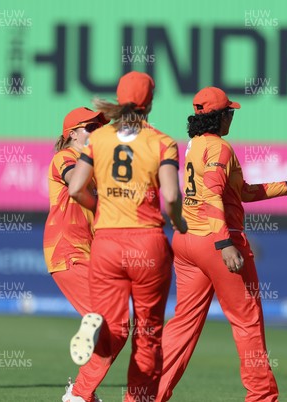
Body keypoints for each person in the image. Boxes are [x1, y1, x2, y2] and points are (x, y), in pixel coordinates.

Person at [156, 86, 287, 402]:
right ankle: (261, 397)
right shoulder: (219, 148)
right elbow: (211, 194)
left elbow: (242, 192)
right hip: (215, 240)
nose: (231, 118)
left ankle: (148, 394)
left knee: (182, 326)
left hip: (187, 240)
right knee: (247, 323)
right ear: (221, 117)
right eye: (229, 112)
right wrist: (224, 243)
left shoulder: (194, 146)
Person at [67, 71, 187, 402]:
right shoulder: (162, 142)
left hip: (106, 244)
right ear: (150, 101)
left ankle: (80, 391)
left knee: (115, 327)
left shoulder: (98, 139)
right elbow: (172, 197)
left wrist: (102, 209)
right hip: (147, 243)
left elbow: (76, 188)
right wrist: (177, 222)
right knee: (148, 332)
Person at [43, 107, 107, 402]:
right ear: (72, 134)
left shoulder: (94, 165)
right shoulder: (66, 158)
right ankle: (79, 394)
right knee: (110, 321)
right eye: (91, 128)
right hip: (66, 248)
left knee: (116, 327)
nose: (97, 132)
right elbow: (74, 183)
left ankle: (82, 394)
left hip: (89, 251)